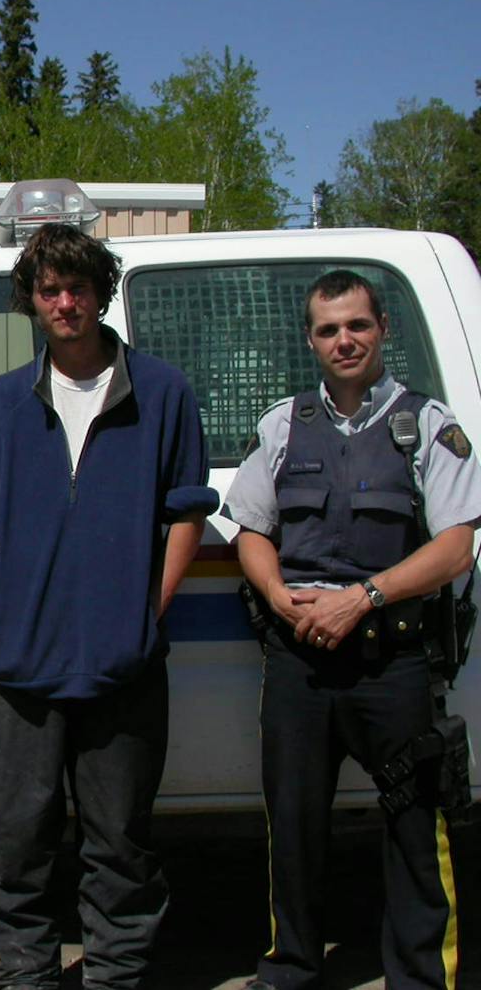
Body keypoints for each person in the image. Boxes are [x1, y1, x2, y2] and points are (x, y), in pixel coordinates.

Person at [0, 222, 216, 990]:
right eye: (49, 290)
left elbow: (187, 510)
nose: (65, 302)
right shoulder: (0, 406)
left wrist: (146, 611)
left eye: (78, 287)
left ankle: (116, 974)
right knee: (19, 838)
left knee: (121, 841)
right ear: (31, 302)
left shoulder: (162, 394)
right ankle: (26, 972)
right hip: (17, 671)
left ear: (102, 291)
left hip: (121, 665)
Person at [223, 269, 479, 990]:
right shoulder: (283, 424)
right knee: (294, 829)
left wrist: (361, 598)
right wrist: (277, 596)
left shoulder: (427, 426)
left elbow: (455, 546)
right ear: (311, 340)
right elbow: (251, 530)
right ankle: (293, 967)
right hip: (299, 660)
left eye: (357, 325)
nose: (345, 340)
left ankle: (423, 976)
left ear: (382, 330)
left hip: (391, 660)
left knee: (413, 828)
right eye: (329, 329)